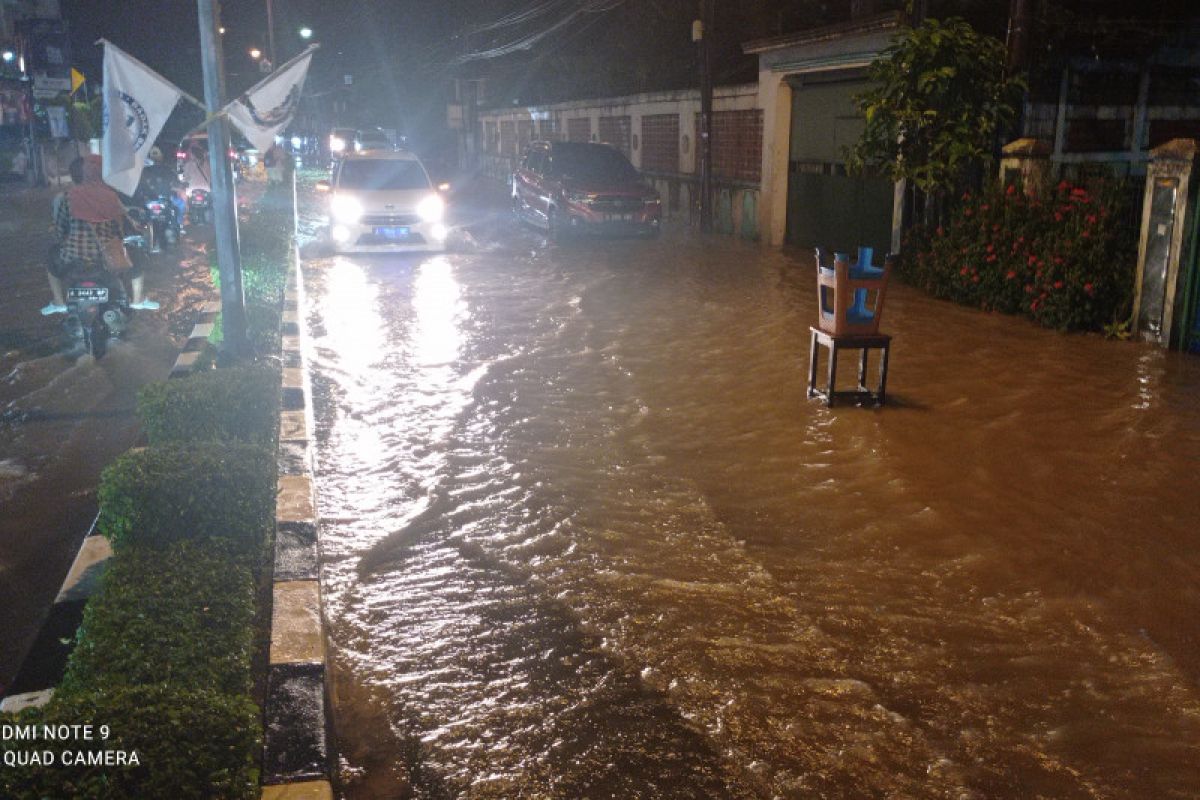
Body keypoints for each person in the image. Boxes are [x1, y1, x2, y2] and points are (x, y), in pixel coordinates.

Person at [42, 154, 159, 315]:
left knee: (50, 256)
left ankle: (59, 302)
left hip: (72, 258)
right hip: (107, 259)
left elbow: (61, 230)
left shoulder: (68, 197)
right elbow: (120, 229)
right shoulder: (111, 197)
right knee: (137, 255)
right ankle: (138, 300)